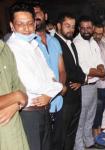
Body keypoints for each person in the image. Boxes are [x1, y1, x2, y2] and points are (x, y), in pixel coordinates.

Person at [7, 2, 62, 150]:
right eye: (20, 24)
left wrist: (50, 92)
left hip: (44, 109)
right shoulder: (11, 50)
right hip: (28, 114)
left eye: (30, 23)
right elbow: (32, 84)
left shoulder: (34, 46)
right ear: (12, 25)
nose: (26, 28)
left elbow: (52, 77)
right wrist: (52, 88)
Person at [32, 2, 67, 150]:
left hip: (58, 101)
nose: (35, 16)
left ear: (45, 16)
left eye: (38, 13)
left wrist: (62, 86)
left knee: (58, 141)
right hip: (41, 104)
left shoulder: (54, 41)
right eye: (32, 14)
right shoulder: (30, 43)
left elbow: (62, 70)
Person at [55, 13, 87, 150]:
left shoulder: (71, 43)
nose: (71, 30)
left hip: (75, 92)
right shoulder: (55, 42)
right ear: (58, 25)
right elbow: (64, 70)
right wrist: (85, 78)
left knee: (71, 132)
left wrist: (81, 80)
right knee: (62, 134)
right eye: (67, 26)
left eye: (73, 27)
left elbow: (76, 66)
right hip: (65, 95)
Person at [73, 16, 105, 149]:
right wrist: (101, 73)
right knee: (81, 118)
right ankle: (79, 145)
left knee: (90, 116)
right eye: (83, 28)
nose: (86, 30)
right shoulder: (77, 43)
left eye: (89, 27)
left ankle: (89, 141)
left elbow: (99, 60)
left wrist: (101, 68)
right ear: (79, 29)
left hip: (94, 84)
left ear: (92, 28)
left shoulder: (92, 41)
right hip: (83, 86)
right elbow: (84, 68)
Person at [0, 40, 29, 150]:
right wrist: (15, 96)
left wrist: (15, 105)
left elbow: (22, 92)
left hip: (14, 132)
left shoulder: (5, 49)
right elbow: (19, 94)